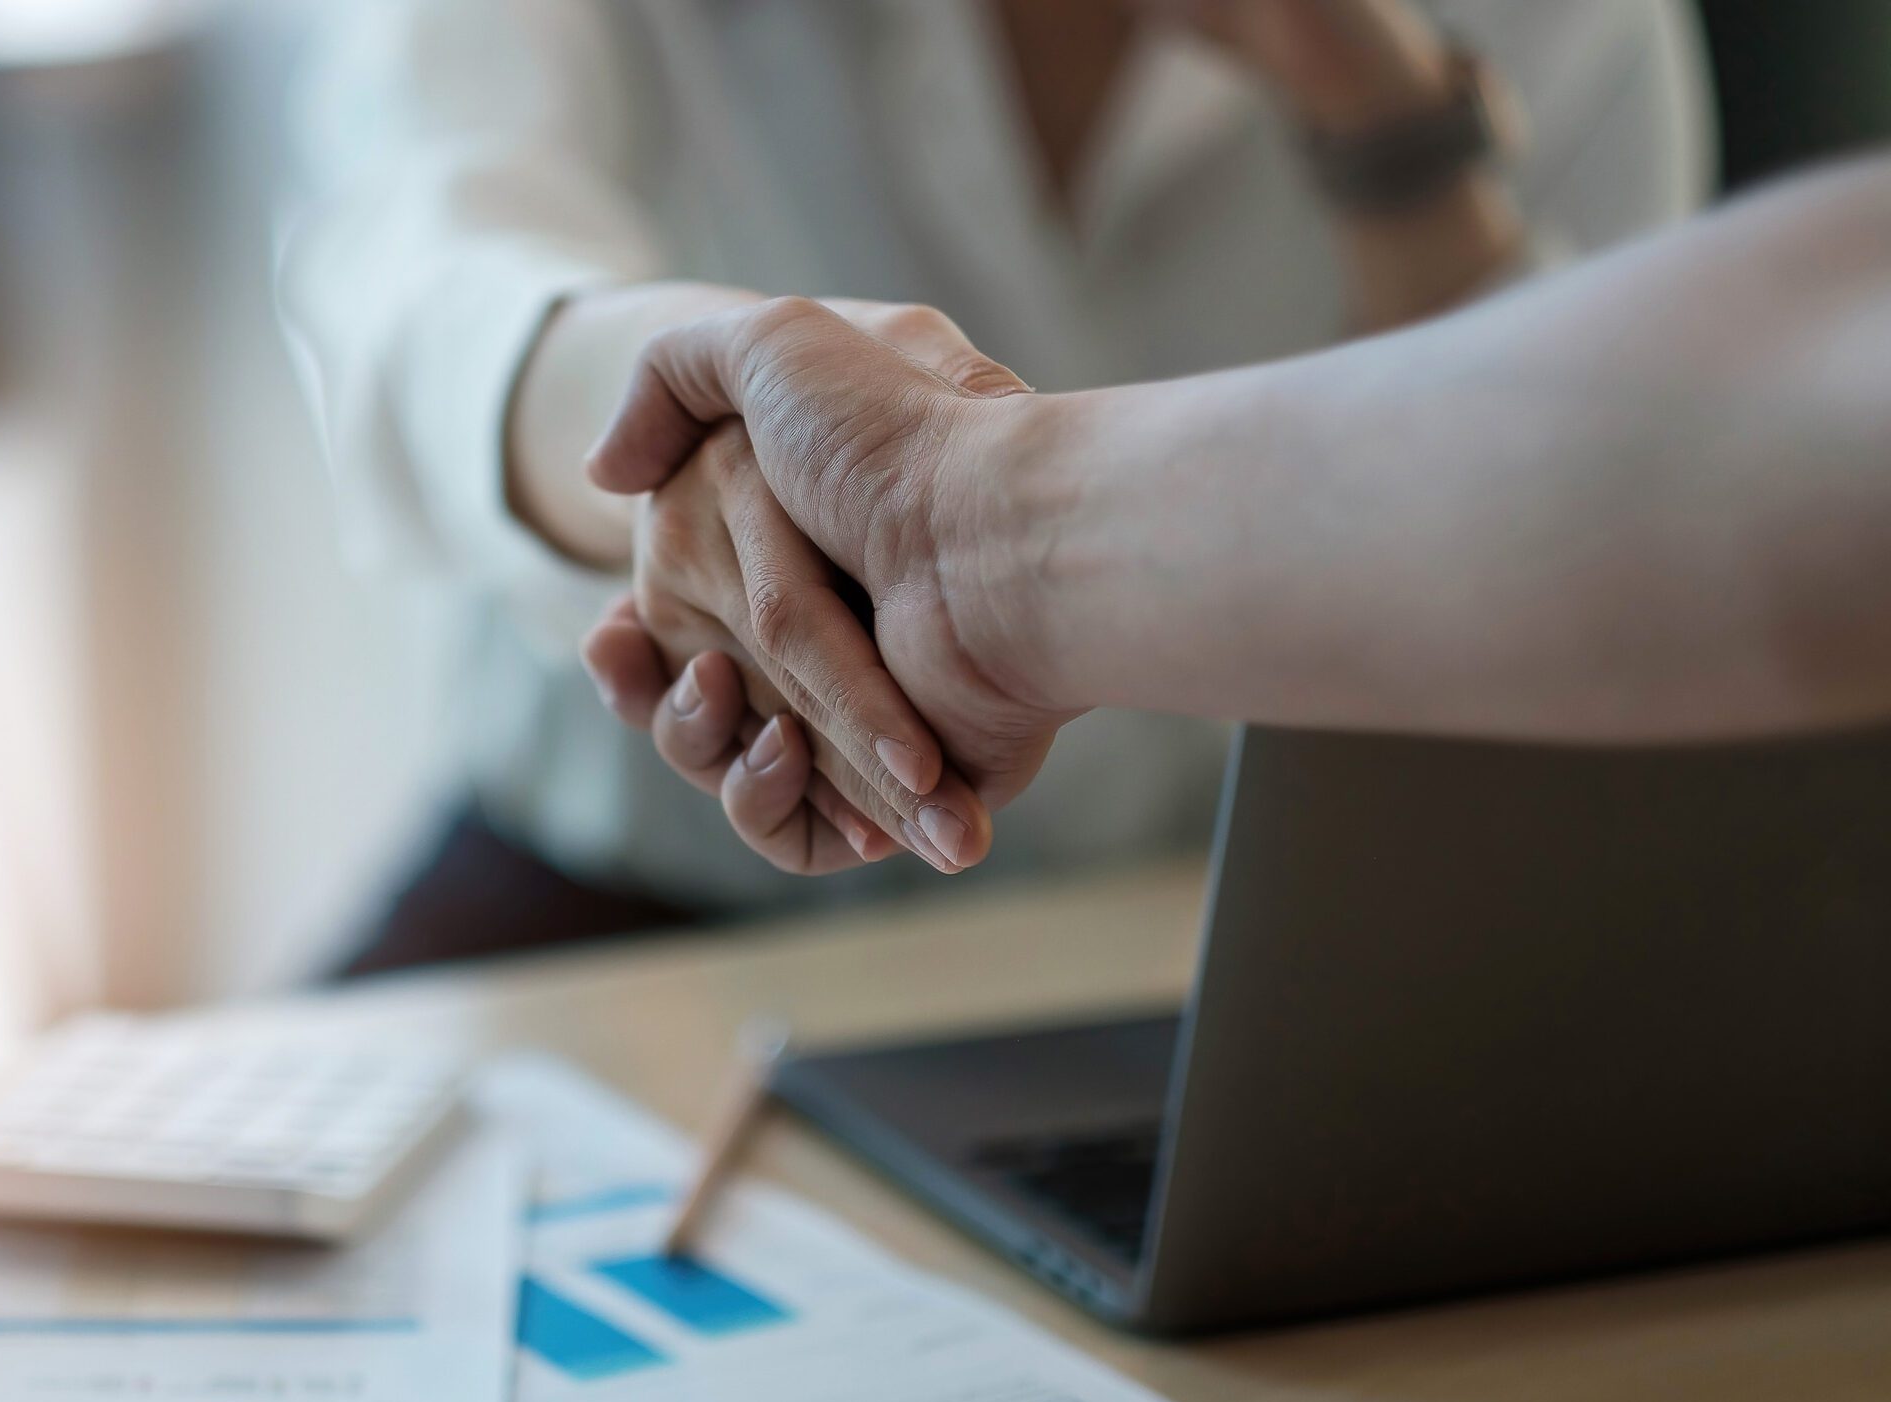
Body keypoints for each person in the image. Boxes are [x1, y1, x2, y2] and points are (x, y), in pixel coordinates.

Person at [279, 0, 1710, 967]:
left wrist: (1384, 114)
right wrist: (702, 425)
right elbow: (412, 281)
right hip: (628, 908)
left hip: (1258, 948)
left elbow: (1616, 554)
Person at [579, 153, 1891, 872]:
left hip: (1243, 901)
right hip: (621, 882)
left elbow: (1646, 485)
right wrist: (946, 532)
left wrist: (965, 540)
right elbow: (421, 292)